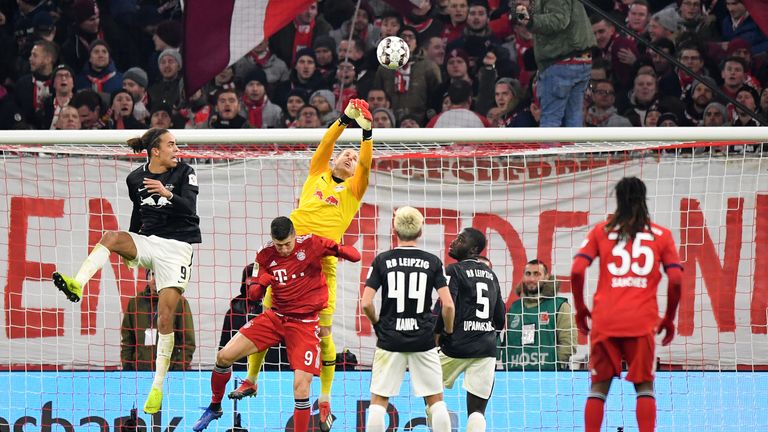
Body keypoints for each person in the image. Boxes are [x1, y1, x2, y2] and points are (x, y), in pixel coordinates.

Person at [232, 99, 373, 432]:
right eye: (346, 153)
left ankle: (324, 399)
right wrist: (344, 121)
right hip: (287, 258)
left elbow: (366, 164)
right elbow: (325, 145)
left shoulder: (354, 191)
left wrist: (366, 134)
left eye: (353, 158)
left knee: (324, 335)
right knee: (267, 318)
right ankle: (251, 379)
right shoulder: (316, 175)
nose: (349, 157)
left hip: (321, 266)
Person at [52, 128, 201, 414]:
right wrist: (129, 245)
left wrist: (166, 193)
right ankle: (77, 285)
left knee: (165, 318)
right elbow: (138, 213)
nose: (177, 149)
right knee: (110, 236)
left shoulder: (185, 172)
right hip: (148, 241)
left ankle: (157, 387)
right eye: (171, 145)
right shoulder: (134, 178)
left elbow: (190, 210)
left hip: (177, 248)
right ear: (155, 150)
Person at [191, 217, 361, 432]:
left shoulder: (312, 243)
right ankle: (215, 407)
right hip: (276, 318)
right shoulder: (264, 254)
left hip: (305, 323)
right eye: (279, 245)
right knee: (223, 357)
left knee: (300, 387)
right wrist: (261, 282)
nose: (283, 249)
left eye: (287, 244)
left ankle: (323, 399)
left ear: (294, 235)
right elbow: (253, 294)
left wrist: (341, 250)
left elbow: (356, 256)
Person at [570, 177, 683, 432]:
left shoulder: (601, 231)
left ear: (618, 199)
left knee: (599, 387)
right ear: (643, 199)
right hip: (642, 321)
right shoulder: (662, 235)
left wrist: (581, 309)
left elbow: (577, 271)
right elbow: (676, 279)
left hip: (605, 320)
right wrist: (669, 317)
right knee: (644, 386)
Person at [361, 206, 455, 432]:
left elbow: (366, 303)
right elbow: (448, 305)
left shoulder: (382, 260)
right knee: (436, 400)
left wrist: (377, 324)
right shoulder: (433, 262)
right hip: (423, 339)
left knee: (378, 401)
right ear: (421, 231)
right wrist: (447, 333)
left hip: (389, 339)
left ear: (394, 230)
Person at [432, 228, 505, 432]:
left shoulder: (453, 270)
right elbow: (500, 318)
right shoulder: (492, 275)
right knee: (476, 412)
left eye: (460, 240)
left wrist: (438, 335)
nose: (454, 242)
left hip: (456, 345)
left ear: (473, 249)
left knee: (428, 386)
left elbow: (447, 306)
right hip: (486, 349)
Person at [515, 0, 596, 127]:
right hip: (579, 59)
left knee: (550, 119)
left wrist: (530, 20)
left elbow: (558, 20)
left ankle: (549, 147)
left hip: (561, 60)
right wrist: (525, 8)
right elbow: (528, 17)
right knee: (574, 117)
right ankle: (572, 147)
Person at [502, 259, 576, 370]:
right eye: (528, 274)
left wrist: (552, 366)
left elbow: (568, 343)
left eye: (537, 274)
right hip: (515, 377)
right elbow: (507, 342)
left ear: (546, 277)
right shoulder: (514, 307)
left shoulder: (559, 306)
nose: (532, 279)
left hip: (548, 377)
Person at [120, 270, 195, 371]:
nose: (155, 280)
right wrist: (128, 369)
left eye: (160, 274)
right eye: (152, 275)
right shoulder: (135, 303)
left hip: (169, 374)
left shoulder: (179, 303)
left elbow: (188, 342)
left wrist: (176, 370)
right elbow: (127, 340)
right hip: (139, 373)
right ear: (147, 278)